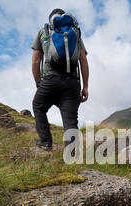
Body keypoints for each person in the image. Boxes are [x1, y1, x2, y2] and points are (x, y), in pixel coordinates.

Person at [31, 8, 89, 151]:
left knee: (38, 106)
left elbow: (35, 61)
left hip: (50, 81)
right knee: (70, 120)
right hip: (71, 83)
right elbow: (83, 61)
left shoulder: (43, 32)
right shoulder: (75, 34)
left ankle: (45, 142)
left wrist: (39, 84)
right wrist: (85, 86)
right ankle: (71, 154)